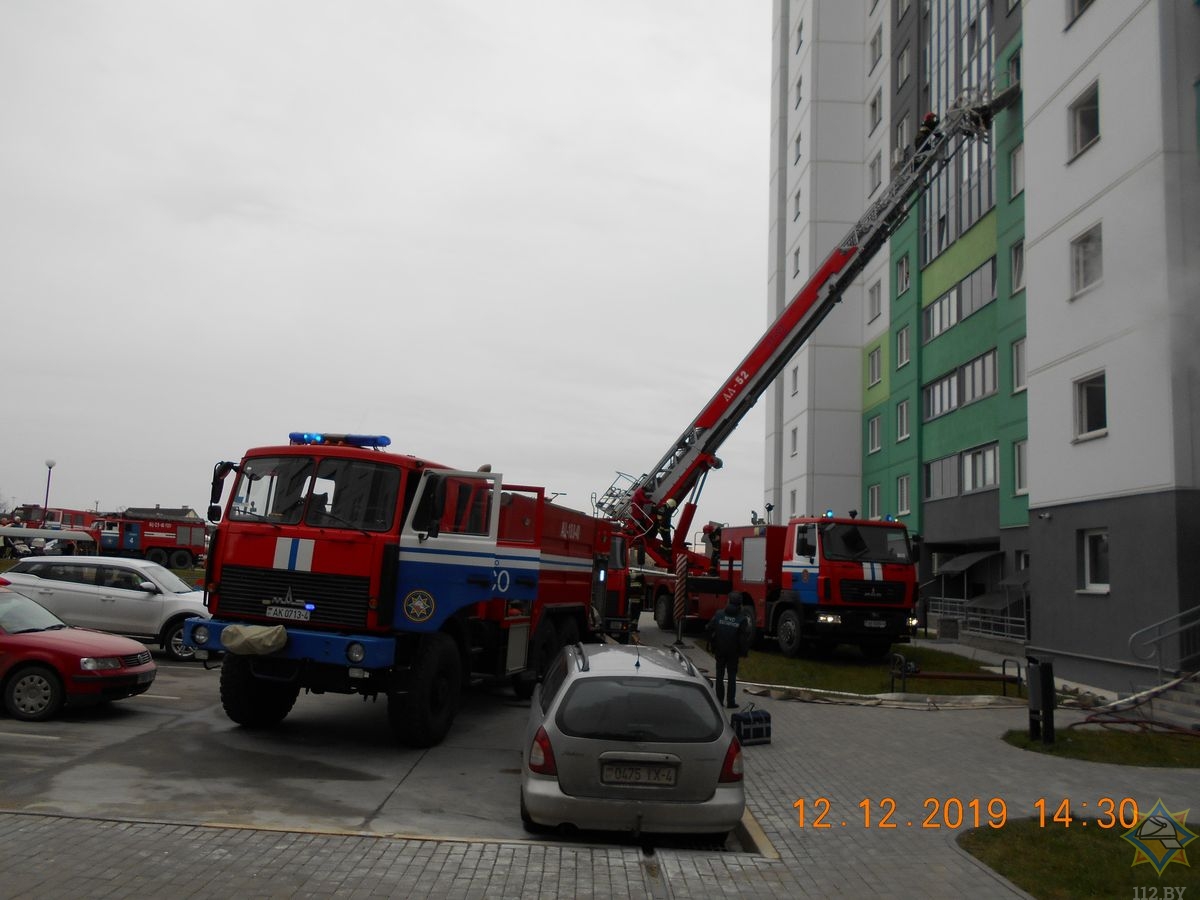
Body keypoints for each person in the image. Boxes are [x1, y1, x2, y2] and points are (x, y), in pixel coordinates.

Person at [707, 593, 751, 709]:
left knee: (719, 675)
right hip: (733, 652)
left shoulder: (719, 614)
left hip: (719, 650)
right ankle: (731, 702)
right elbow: (743, 639)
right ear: (740, 605)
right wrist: (744, 653)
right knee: (732, 677)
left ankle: (719, 702)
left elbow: (709, 627)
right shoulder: (742, 619)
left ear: (728, 602)